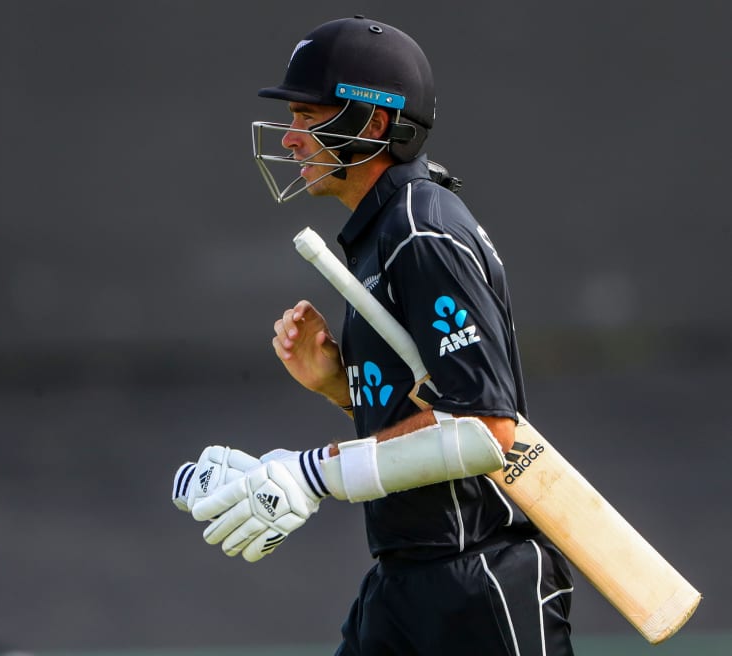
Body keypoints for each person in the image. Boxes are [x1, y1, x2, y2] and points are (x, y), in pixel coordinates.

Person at [173, 16, 575, 655]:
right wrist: (342, 387)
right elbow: (433, 412)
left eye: (309, 116)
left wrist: (312, 476)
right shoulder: (384, 232)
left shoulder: (420, 229)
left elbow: (485, 431)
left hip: (478, 587)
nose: (293, 139)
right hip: (404, 581)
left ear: (375, 124)